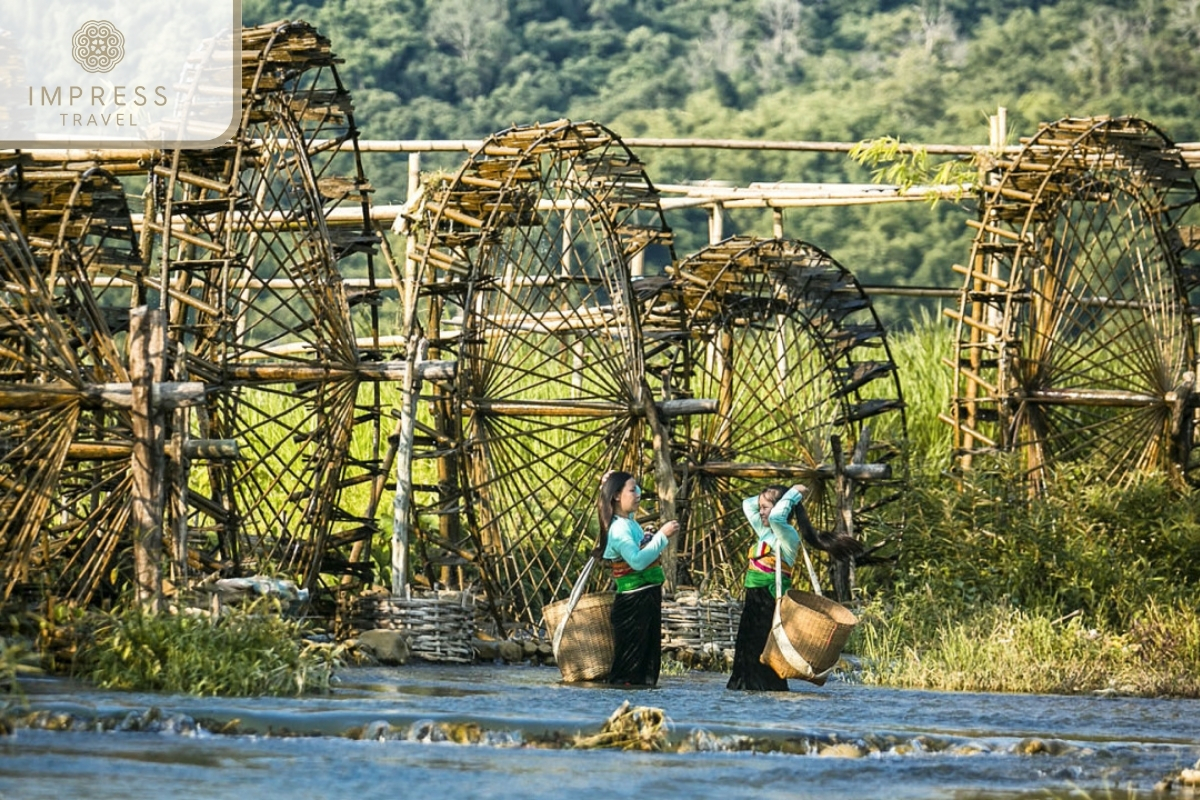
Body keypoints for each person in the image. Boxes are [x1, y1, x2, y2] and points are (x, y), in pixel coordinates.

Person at [726, 483, 861, 691]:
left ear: (781, 508)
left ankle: (765, 691)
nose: (760, 512)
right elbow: (746, 504)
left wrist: (793, 495)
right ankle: (742, 688)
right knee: (746, 648)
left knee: (766, 651)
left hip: (771, 601)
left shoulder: (787, 535)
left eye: (765, 507)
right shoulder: (764, 532)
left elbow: (776, 517)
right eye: (760, 507)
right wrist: (777, 495)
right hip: (753, 601)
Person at [596, 470, 679, 687]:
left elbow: (624, 497)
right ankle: (624, 712)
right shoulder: (618, 529)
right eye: (632, 490)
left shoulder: (629, 521)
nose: (638, 495)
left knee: (646, 661)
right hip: (633, 603)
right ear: (616, 496)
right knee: (630, 667)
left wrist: (608, 483)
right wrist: (662, 536)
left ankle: (641, 707)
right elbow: (638, 562)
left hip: (646, 597)